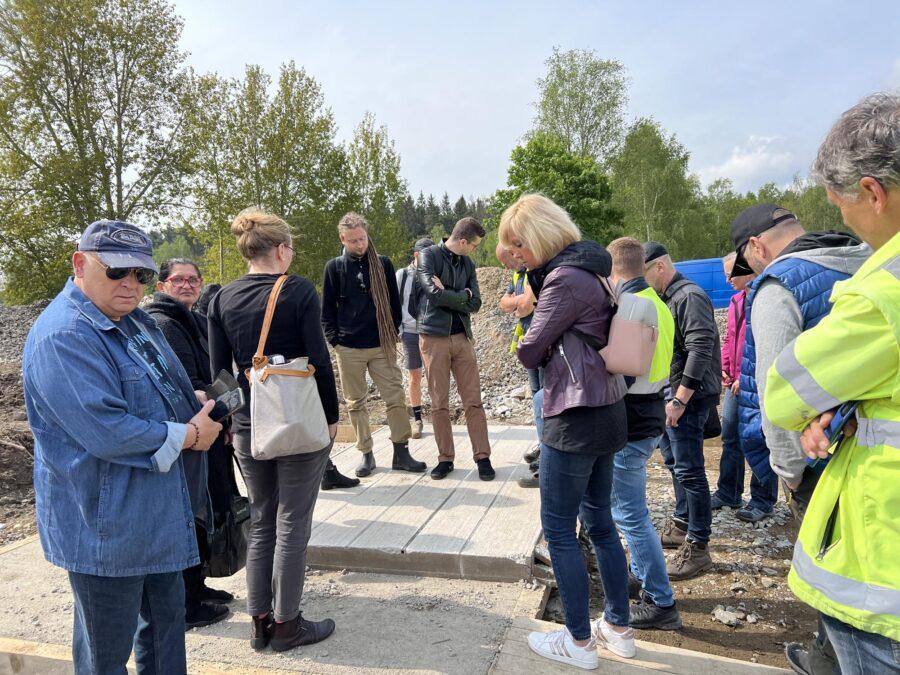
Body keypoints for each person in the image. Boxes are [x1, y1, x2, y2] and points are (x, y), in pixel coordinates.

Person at [22, 220, 222, 674]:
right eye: (116, 272)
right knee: (105, 654)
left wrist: (193, 402)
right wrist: (192, 436)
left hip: (156, 514)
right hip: (105, 527)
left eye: (140, 274)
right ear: (80, 264)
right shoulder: (65, 336)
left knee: (166, 632)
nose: (130, 284)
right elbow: (107, 430)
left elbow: (156, 386)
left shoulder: (133, 320)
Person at [765, 92, 900, 675]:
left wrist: (789, 459)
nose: (841, 220)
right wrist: (849, 402)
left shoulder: (883, 292)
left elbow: (782, 389)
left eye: (841, 205)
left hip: (883, 569)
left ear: (872, 191)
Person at [503, 194, 634, 670]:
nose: (516, 254)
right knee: (601, 523)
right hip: (608, 408)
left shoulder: (563, 278)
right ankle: (618, 627)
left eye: (519, 243)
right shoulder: (595, 268)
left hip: (573, 415)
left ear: (538, 235)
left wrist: (525, 322)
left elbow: (531, 350)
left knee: (559, 530)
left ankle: (578, 642)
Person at [207, 208, 338, 652]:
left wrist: (226, 422)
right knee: (293, 523)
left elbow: (219, 375)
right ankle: (288, 624)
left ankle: (258, 622)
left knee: (262, 521)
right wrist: (332, 415)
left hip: (248, 425)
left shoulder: (221, 298)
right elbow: (318, 359)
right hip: (297, 417)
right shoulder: (298, 290)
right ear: (281, 249)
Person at [728, 203, 869, 522]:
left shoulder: (777, 287)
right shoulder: (873, 263)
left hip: (821, 460)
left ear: (756, 246)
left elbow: (774, 390)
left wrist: (790, 472)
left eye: (747, 261)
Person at [146, 259, 234, 630]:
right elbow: (188, 384)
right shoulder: (163, 323)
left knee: (208, 507)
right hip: (189, 433)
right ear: (163, 284)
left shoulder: (191, 318)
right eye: (178, 279)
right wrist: (216, 413)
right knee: (191, 512)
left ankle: (197, 585)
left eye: (193, 279)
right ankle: (185, 600)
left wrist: (225, 418)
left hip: (209, 427)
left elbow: (215, 371)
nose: (186, 285)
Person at [606, 237, 682, 631]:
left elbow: (621, 368)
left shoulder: (633, 307)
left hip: (632, 418)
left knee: (630, 512)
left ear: (614, 270)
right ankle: (641, 574)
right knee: (635, 509)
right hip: (650, 409)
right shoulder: (658, 303)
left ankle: (659, 600)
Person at [321, 212, 427, 477]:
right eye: (353, 240)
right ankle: (366, 454)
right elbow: (327, 311)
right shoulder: (334, 268)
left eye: (363, 238)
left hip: (381, 344)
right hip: (349, 347)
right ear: (342, 239)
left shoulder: (383, 264)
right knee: (356, 403)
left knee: (395, 397)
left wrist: (392, 332)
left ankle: (401, 453)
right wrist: (336, 341)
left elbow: (393, 302)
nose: (360, 244)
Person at [644, 241, 721, 580]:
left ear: (659, 266)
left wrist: (679, 399)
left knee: (690, 470)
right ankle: (681, 523)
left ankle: (699, 545)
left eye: (644, 274)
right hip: (672, 397)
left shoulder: (688, 296)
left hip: (688, 398)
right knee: (675, 463)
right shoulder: (666, 298)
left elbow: (700, 346)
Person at [417, 217, 494, 480]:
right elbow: (432, 294)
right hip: (433, 337)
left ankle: (483, 458)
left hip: (462, 337)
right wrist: (463, 296)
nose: (474, 250)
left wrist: (453, 294)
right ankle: (445, 458)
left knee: (473, 400)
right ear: (462, 241)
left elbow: (477, 303)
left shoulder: (468, 263)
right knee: (439, 402)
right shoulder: (428, 256)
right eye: (473, 245)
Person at [711, 253, 779, 519]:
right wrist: (726, 369)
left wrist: (744, 375)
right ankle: (729, 493)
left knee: (759, 438)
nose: (728, 279)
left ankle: (762, 500)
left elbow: (767, 343)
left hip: (756, 382)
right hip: (734, 383)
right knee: (730, 437)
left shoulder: (766, 298)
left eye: (732, 273)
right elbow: (730, 339)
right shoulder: (735, 301)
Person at [497, 242, 542, 488]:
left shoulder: (536, 273)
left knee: (546, 402)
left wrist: (517, 304)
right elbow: (504, 304)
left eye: (508, 258)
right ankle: (542, 448)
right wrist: (517, 303)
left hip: (543, 346)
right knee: (537, 399)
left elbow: (524, 306)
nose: (507, 263)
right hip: (530, 346)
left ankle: (546, 466)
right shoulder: (518, 274)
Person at [396, 237, 434, 439]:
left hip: (431, 331)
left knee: (435, 376)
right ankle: (417, 418)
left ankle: (439, 416)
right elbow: (393, 303)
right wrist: (399, 329)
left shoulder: (433, 275)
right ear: (416, 255)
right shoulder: (402, 275)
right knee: (414, 376)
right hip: (410, 331)